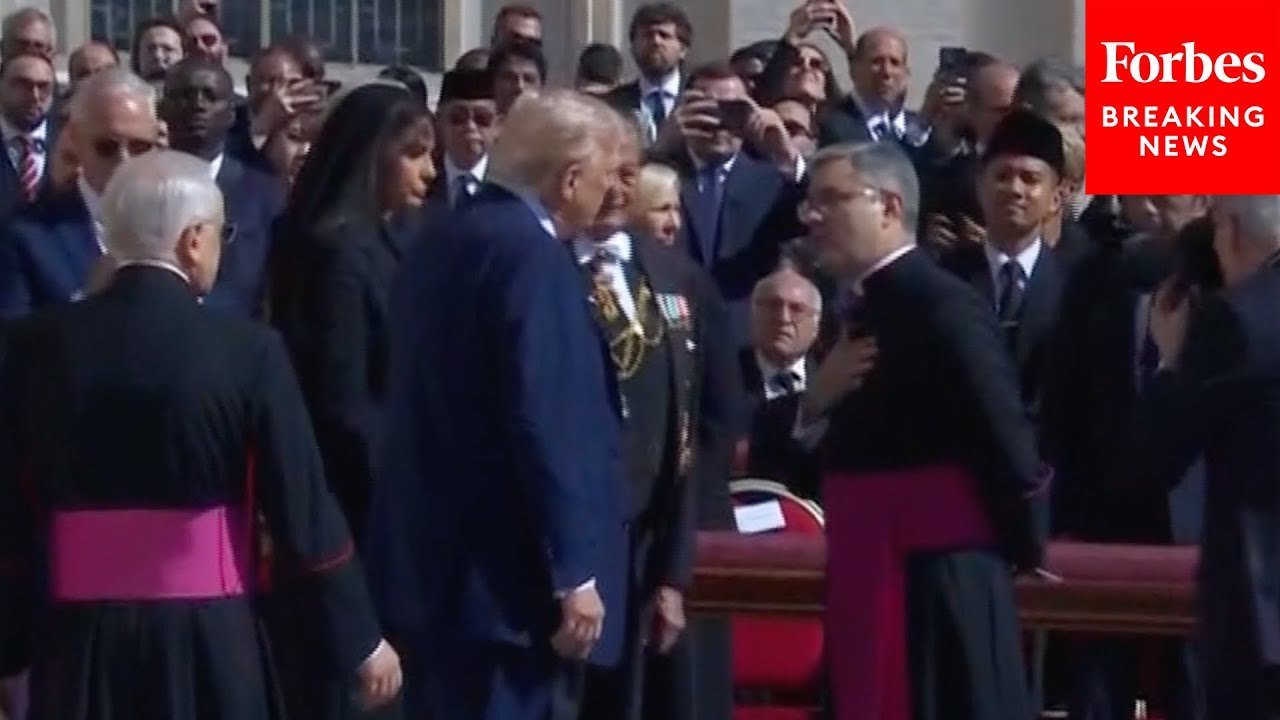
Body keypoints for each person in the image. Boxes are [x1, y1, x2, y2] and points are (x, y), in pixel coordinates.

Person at [0, 149, 401, 719]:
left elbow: (11, 512)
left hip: (79, 641)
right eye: (220, 233)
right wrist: (359, 637)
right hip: (210, 640)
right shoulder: (248, 351)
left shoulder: (31, 348)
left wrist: (10, 647)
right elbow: (303, 510)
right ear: (193, 240)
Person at [366, 89, 627, 720]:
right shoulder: (532, 257)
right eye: (605, 176)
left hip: (432, 572)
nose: (610, 192)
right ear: (569, 178)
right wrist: (574, 571)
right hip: (510, 588)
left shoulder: (441, 237)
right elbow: (547, 418)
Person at [798, 140, 1048, 720]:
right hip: (870, 564)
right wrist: (814, 400)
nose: (812, 217)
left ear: (888, 206)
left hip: (937, 580)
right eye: (809, 203)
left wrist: (1025, 543)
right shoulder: (858, 305)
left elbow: (1005, 433)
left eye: (830, 200)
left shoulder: (943, 303)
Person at [571, 117, 738, 720]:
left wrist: (675, 562)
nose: (617, 189)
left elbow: (709, 415)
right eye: (606, 174)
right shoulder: (543, 266)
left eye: (629, 175)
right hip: (570, 547)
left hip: (654, 540)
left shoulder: (675, 276)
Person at [1134, 194, 1280, 720]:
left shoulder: (1238, 316)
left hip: (1261, 614)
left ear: (1231, 228)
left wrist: (1168, 363)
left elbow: (1158, 455)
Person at [0, 68, 160, 317]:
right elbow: (12, 335)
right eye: (107, 147)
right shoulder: (25, 236)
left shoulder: (181, 226)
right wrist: (87, 299)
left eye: (140, 147)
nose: (124, 161)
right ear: (75, 140)